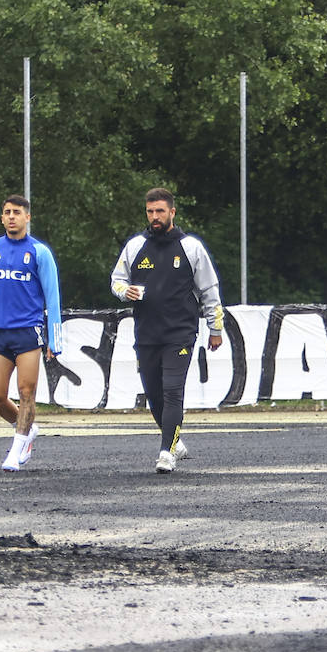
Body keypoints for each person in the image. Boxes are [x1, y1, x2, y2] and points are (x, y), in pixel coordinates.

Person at [110, 187, 224, 473]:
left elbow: (209, 289)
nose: (155, 217)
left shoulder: (191, 247)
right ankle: (175, 441)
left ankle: (166, 453)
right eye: (150, 212)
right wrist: (126, 291)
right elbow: (116, 280)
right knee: (154, 394)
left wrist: (215, 327)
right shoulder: (136, 245)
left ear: (172, 212)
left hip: (180, 332)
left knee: (173, 390)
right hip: (147, 333)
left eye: (160, 211)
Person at [0, 194, 63, 472]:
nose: (11, 216)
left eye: (17, 212)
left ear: (27, 217)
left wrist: (55, 339)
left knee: (26, 392)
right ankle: (27, 429)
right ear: (1, 217)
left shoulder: (39, 252)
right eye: (7, 212)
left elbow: (52, 298)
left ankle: (16, 449)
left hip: (28, 333)